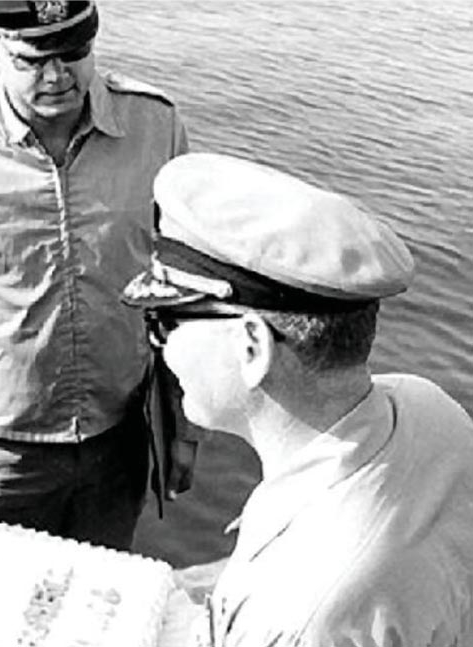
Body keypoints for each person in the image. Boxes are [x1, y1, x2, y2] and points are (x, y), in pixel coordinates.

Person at [0, 0, 197, 550]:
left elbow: (182, 291)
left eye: (74, 53)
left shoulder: (156, 125)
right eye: (32, 60)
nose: (57, 76)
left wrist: (182, 429)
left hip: (119, 443)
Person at [121, 152, 473, 646]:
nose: (160, 346)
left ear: (252, 347)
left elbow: (308, 601)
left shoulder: (294, 621)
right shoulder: (427, 408)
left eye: (164, 321)